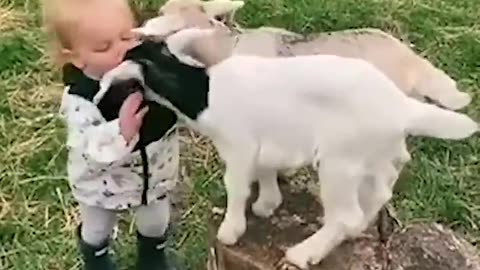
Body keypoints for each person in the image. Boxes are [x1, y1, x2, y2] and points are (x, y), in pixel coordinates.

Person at [41, 0, 184, 269]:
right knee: (97, 228)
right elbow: (87, 143)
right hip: (102, 185)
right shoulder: (81, 98)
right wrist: (119, 131)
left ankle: (152, 257)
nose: (122, 50)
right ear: (75, 57)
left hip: (153, 175)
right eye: (103, 47)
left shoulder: (150, 68)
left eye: (126, 36)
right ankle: (96, 259)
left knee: (155, 222)